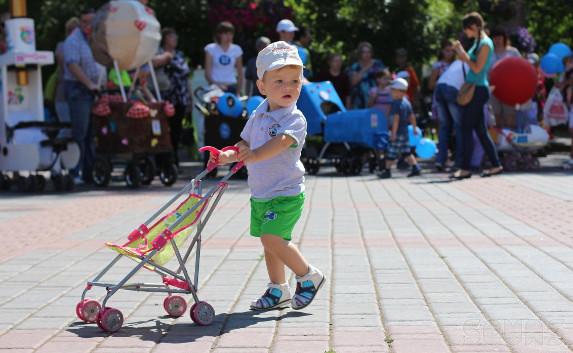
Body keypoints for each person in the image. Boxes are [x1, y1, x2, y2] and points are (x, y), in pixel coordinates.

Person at [212, 41, 325, 311]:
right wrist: (229, 156)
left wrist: (256, 155)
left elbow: (282, 143)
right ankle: (278, 289)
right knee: (269, 242)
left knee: (271, 237)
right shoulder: (258, 114)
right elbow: (244, 145)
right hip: (261, 192)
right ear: (262, 86)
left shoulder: (294, 118)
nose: (288, 87)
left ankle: (308, 276)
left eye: (295, 81)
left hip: (286, 192)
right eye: (279, 81)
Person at [451, 12, 503, 179]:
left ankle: (465, 168)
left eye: (466, 30)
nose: (465, 33)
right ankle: (496, 165)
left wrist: (462, 53)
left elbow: (477, 68)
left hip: (478, 90)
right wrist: (463, 54)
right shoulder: (478, 41)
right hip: (475, 88)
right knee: (480, 130)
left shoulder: (485, 44)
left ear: (473, 27)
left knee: (466, 129)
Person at [63, 8, 102, 185]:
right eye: (85, 22)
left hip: (91, 90)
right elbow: (72, 65)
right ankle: (74, 172)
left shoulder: (92, 39)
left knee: (90, 134)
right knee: (80, 132)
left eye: (91, 22)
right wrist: (90, 84)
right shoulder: (73, 41)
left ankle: (89, 172)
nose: (88, 26)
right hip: (79, 89)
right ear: (80, 22)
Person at [152, 28, 191, 167]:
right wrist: (166, 58)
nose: (174, 39)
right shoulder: (159, 53)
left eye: (175, 37)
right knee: (162, 130)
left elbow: (185, 74)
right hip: (165, 97)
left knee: (176, 131)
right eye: (171, 37)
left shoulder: (179, 54)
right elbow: (151, 63)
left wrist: (189, 99)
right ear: (165, 38)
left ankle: (174, 160)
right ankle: (161, 162)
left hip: (180, 97)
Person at [378, 78, 421, 179]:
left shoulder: (396, 103)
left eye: (393, 90)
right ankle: (416, 167)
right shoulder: (406, 102)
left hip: (397, 133)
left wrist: (393, 133)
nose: (391, 92)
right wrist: (414, 128)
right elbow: (412, 116)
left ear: (399, 91)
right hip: (405, 133)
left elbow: (396, 119)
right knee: (407, 152)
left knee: (391, 152)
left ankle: (387, 171)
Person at [433, 60, 468, 171]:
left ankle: (440, 160)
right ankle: (459, 162)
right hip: (452, 90)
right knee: (459, 127)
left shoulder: (457, 62)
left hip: (439, 88)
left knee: (444, 127)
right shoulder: (472, 65)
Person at [490, 27, 522, 130]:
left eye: (499, 38)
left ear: (504, 38)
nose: (497, 40)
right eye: (495, 38)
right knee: (495, 116)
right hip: (493, 89)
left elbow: (521, 68)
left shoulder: (513, 52)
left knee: (510, 116)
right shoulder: (489, 53)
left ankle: (511, 140)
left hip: (509, 89)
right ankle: (498, 141)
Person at [204, 21, 244, 95]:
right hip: (215, 89)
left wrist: (238, 92)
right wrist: (217, 85)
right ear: (219, 34)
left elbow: (240, 74)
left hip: (232, 87)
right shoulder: (210, 48)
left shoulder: (237, 49)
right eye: (225, 33)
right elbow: (207, 74)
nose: (229, 36)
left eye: (231, 34)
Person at [54, 17, 79, 131]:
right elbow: (66, 65)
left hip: (78, 96)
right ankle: (56, 149)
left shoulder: (84, 47)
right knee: (67, 128)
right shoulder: (62, 46)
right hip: (63, 95)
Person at [348, 42, 385, 108]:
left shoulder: (378, 64)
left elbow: (385, 80)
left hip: (376, 100)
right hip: (359, 101)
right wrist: (366, 67)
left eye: (369, 52)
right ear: (360, 54)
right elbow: (353, 82)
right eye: (364, 52)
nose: (367, 54)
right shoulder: (355, 66)